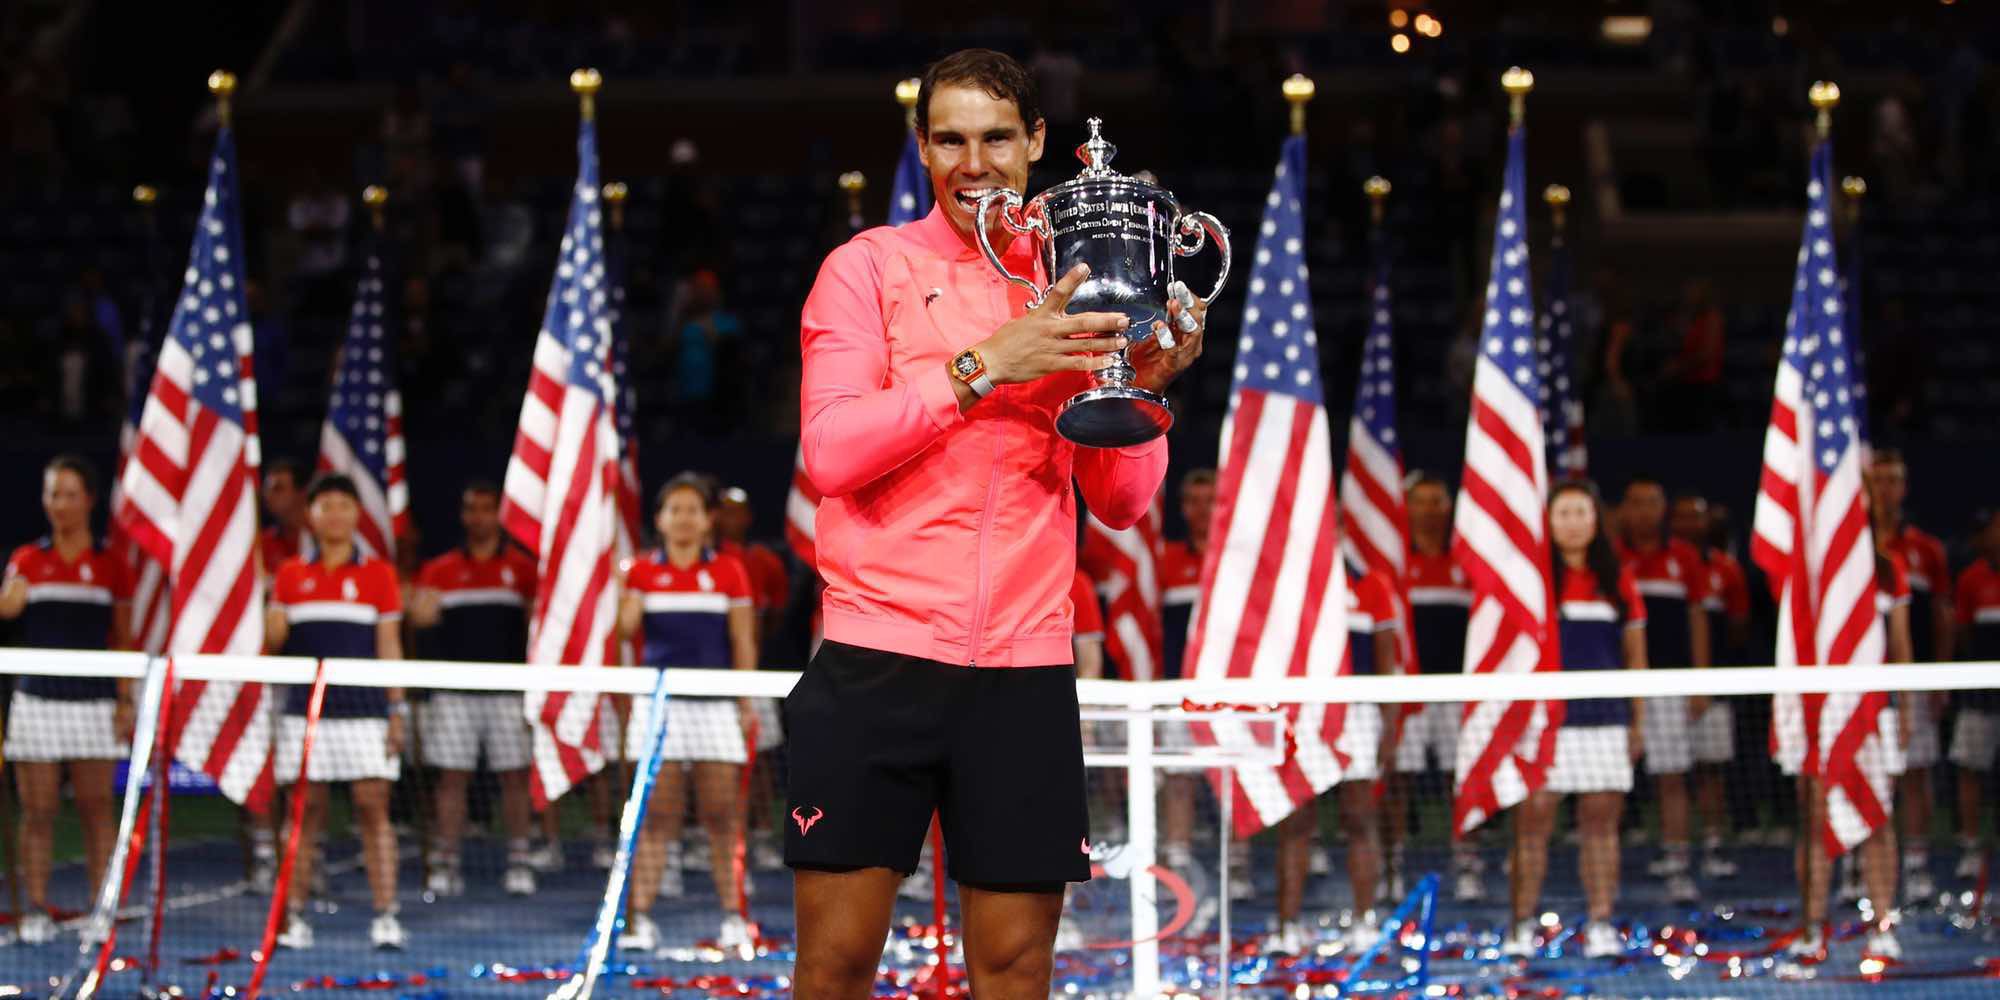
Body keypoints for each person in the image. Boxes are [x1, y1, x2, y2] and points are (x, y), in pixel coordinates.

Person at [787, 48, 1198, 998]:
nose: (975, 163)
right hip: (878, 661)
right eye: (952, 140)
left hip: (1022, 671)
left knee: (1015, 971)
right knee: (837, 965)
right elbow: (832, 453)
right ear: (924, 149)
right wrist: (987, 364)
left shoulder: (1084, 278)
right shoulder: (868, 269)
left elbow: (1124, 503)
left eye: (998, 139)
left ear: (1038, 143)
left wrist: (1140, 391)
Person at [615, 474, 760, 955]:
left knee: (722, 819)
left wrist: (745, 701)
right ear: (659, 520)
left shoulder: (730, 571)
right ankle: (641, 921)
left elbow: (742, 640)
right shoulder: (638, 571)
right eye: (674, 509)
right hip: (660, 709)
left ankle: (734, 919)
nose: (683, 518)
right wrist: (619, 590)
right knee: (657, 820)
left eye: (692, 509)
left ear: (707, 520)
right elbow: (625, 630)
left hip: (717, 706)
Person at [1502, 481, 1645, 960]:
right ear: (1548, 520)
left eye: (1581, 512)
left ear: (1595, 519)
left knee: (1600, 826)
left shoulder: (1617, 580)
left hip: (1604, 720)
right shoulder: (1533, 580)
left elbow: (1635, 659)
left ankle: (1601, 922)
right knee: (1533, 825)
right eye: (1563, 513)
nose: (1572, 521)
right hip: (1545, 724)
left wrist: (1637, 722)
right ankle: (1521, 923)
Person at [264, 474, 407, 951]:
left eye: (345, 505)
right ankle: (295, 917)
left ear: (356, 515)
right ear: (311, 515)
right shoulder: (288, 575)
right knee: (303, 816)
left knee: (373, 810)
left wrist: (397, 709)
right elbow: (272, 644)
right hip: (303, 717)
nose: (336, 514)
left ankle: (386, 914)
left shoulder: (379, 574)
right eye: (326, 505)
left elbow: (389, 646)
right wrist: (268, 615)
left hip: (364, 713)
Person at [0, 456, 131, 945]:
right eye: (53, 494)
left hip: (94, 703)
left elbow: (123, 636)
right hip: (38, 701)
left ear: (89, 501)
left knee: (98, 808)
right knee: (37, 811)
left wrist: (125, 700)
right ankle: (34, 910)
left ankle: (102, 909)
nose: (60, 504)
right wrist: (13, 588)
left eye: (70, 494)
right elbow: (9, 608)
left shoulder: (110, 563)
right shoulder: (27, 560)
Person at [406, 482, 540, 898]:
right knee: (451, 780)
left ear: (499, 514)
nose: (479, 516)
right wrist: (417, 615)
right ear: (463, 516)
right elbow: (418, 625)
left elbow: (538, 627)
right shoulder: (439, 570)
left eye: (487, 509)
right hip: (455, 693)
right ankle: (447, 862)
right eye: (472, 508)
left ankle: (519, 860)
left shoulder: (521, 569)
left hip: (509, 690)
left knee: (515, 778)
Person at [1268, 564, 1397, 953]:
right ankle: (1286, 927)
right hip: (1301, 711)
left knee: (1359, 818)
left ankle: (1364, 922)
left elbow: (1386, 663)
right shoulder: (1286, 581)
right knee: (1296, 821)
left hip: (1356, 713)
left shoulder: (1372, 584)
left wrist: (1389, 726)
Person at [1616, 475, 1715, 901]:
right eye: (1635, 503)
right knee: (1609, 784)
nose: (1644, 512)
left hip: (1671, 684)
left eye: (1652, 503)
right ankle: (1607, 867)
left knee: (1672, 778)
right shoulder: (1613, 559)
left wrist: (1700, 678)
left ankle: (1677, 865)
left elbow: (1697, 618)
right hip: (1618, 688)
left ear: (1663, 509)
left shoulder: (1685, 558)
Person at [1386, 475, 1481, 901]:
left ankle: (1467, 863)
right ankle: (1391, 864)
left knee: (1459, 781)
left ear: (1449, 507)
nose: (1428, 509)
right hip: (1408, 695)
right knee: (1397, 782)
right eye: (1419, 501)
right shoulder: (1395, 562)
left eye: (1436, 500)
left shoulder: (1467, 561)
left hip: (1456, 694)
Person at [1868, 450, 1952, 899]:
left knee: (1915, 773)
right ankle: (1857, 871)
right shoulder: (1850, 549)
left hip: (1907, 680)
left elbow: (1940, 617)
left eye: (1893, 480)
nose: (1885, 489)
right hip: (1860, 687)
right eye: (1877, 480)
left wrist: (1935, 677)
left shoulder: (1926, 550)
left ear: (1903, 487)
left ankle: (1916, 863)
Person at [713, 485, 792, 871]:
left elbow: (773, 617)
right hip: (712, 679)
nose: (731, 519)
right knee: (708, 763)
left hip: (754, 677)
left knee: (759, 761)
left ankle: (761, 834)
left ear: (748, 517)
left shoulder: (765, 561)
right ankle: (705, 837)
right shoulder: (708, 559)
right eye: (724, 511)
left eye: (738, 511)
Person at [1158, 469, 1211, 882]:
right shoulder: (1165, 560)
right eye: (1194, 500)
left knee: (1234, 780)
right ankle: (1177, 854)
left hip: (1230, 692)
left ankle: (1238, 861)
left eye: (1212, 499)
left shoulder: (1242, 563)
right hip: (1177, 689)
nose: (1203, 510)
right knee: (1179, 777)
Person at [1950, 509, 2000, 885]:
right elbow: (1962, 634)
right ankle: (1969, 847)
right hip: (1980, 694)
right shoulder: (1970, 580)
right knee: (1969, 768)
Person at [259, 459, 314, 574]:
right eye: (267, 489)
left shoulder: (325, 536)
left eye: (278, 488)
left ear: (301, 493)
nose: (268, 495)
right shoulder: (263, 543)